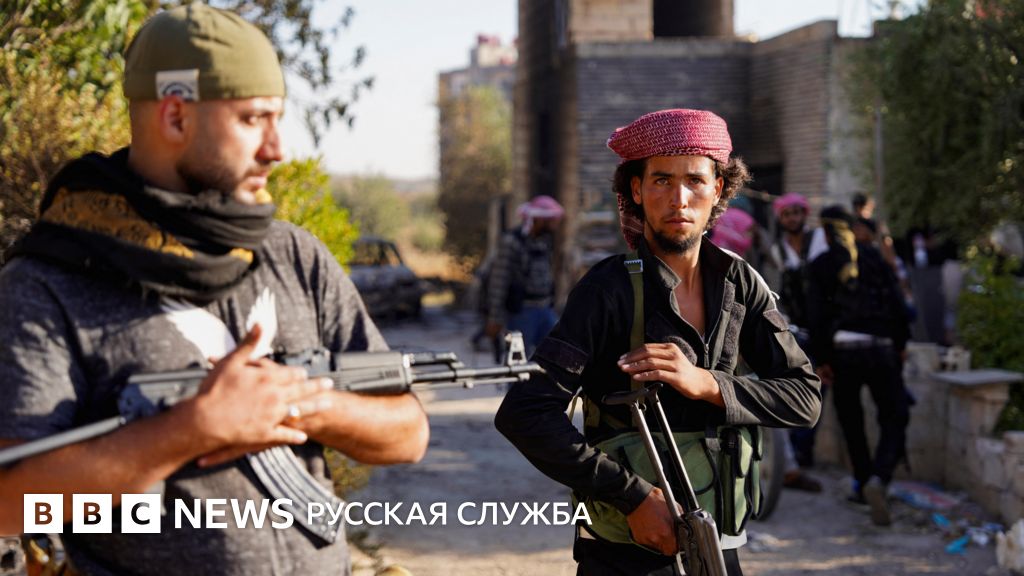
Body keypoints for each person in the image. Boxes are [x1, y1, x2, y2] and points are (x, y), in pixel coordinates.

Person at [0, 4, 428, 574]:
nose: (277, 149)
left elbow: (408, 433)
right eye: (253, 119)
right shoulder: (50, 281)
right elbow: (12, 506)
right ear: (175, 117)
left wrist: (302, 403)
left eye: (278, 118)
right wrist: (190, 431)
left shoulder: (293, 255)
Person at [495, 108, 821, 575]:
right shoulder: (607, 290)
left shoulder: (740, 284)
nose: (679, 199)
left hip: (716, 545)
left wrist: (708, 384)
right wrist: (631, 496)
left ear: (719, 189)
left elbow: (804, 398)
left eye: (695, 181)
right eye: (662, 181)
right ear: (636, 190)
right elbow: (525, 413)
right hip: (623, 553)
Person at [806, 205, 911, 527]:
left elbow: (816, 317)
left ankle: (864, 485)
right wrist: (901, 344)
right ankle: (880, 477)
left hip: (843, 353)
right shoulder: (874, 257)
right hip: (882, 348)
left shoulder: (821, 265)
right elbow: (897, 303)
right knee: (895, 414)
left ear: (826, 233)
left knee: (852, 422)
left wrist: (822, 359)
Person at [485, 194, 565, 355]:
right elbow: (499, 281)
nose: (554, 225)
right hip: (521, 312)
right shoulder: (511, 241)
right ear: (538, 219)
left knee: (555, 356)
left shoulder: (544, 241)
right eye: (551, 220)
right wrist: (495, 318)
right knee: (519, 360)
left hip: (545, 309)